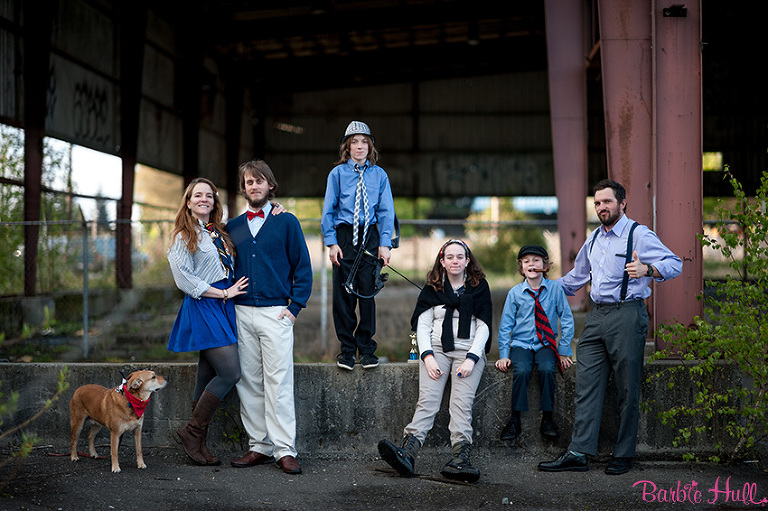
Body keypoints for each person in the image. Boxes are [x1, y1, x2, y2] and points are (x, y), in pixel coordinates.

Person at [538, 179, 682, 476]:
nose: (601, 207)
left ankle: (624, 453)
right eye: (597, 203)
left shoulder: (638, 235)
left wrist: (648, 269)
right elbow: (575, 278)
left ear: (622, 203)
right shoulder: (593, 240)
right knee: (586, 386)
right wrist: (541, 284)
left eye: (607, 202)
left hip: (627, 314)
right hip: (596, 317)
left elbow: (675, 263)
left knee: (627, 387)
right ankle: (578, 452)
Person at [377, 239, 492, 483]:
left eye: (460, 257)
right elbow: (423, 324)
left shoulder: (479, 288)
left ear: (467, 260)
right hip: (437, 349)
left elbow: (483, 327)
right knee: (427, 400)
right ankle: (407, 452)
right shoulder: (433, 289)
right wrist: (427, 357)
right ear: (442, 261)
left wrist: (472, 359)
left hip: (468, 351)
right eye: (449, 257)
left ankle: (460, 458)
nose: (455, 261)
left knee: (461, 404)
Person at [226, 160, 313, 475]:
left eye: (259, 181)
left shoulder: (286, 221)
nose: (254, 186)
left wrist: (294, 308)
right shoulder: (232, 226)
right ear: (244, 188)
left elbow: (302, 267)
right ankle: (258, 447)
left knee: (279, 381)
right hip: (241, 311)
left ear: (270, 186)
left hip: (276, 312)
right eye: (249, 182)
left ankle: (284, 450)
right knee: (249, 381)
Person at [167, 177, 249, 466]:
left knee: (206, 373)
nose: (204, 199)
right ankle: (192, 432)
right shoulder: (183, 235)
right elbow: (184, 279)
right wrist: (224, 292)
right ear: (188, 202)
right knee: (230, 373)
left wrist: (275, 207)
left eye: (209, 196)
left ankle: (197, 444)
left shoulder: (218, 232)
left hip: (223, 307)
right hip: (205, 305)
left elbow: (252, 218)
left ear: (215, 202)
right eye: (198, 195)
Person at [321, 120, 395, 371]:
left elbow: (386, 211)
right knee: (343, 295)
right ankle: (346, 351)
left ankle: (366, 349)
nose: (360, 146)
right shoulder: (337, 174)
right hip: (344, 236)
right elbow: (328, 210)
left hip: (370, 236)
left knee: (367, 293)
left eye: (365, 141)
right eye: (355, 142)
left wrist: (384, 244)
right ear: (347, 147)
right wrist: (331, 242)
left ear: (370, 146)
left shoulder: (379, 175)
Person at [495, 245, 574, 443]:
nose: (532, 264)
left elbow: (566, 319)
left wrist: (564, 350)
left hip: (545, 343)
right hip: (521, 343)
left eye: (536, 260)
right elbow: (505, 326)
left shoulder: (555, 289)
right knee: (521, 370)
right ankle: (515, 420)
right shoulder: (515, 293)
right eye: (526, 261)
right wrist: (504, 354)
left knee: (548, 368)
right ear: (521, 268)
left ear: (545, 266)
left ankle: (548, 419)